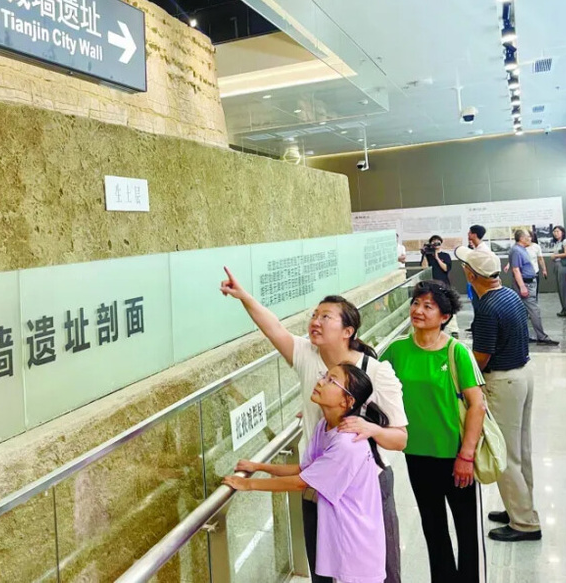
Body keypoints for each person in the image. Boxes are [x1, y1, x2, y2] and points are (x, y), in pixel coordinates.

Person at [220, 268, 407, 583]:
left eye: (326, 317)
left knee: (377, 573)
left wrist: (370, 428)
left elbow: (400, 438)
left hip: (365, 487)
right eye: (314, 315)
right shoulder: (307, 355)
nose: (315, 322)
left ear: (348, 330)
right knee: (325, 570)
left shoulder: (375, 372)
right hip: (319, 482)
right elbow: (272, 327)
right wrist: (244, 297)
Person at [224, 364, 388, 583]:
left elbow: (302, 482)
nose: (320, 382)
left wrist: (248, 485)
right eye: (324, 376)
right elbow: (306, 470)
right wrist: (260, 467)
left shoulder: (347, 444)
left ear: (347, 401)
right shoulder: (325, 426)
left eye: (332, 381)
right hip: (342, 536)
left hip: (356, 545)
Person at [380, 280, 486, 581]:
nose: (418, 310)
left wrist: (466, 456)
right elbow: (368, 384)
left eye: (428, 306)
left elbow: (477, 404)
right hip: (416, 454)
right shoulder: (397, 351)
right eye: (416, 303)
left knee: (466, 528)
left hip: (455, 455)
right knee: (433, 526)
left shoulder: (456, 352)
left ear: (444, 316)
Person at [456, 246, 542, 543]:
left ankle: (524, 524)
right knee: (521, 450)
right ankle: (521, 508)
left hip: (504, 382)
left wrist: (463, 378)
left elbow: (481, 357)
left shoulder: (487, 308)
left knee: (503, 453)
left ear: (471, 274)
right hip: (522, 375)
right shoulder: (507, 295)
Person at [508, 229, 557, 345]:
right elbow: (516, 269)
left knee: (524, 311)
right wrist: (522, 287)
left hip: (529, 282)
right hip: (525, 284)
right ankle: (541, 337)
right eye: (528, 237)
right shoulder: (516, 251)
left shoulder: (521, 249)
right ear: (522, 238)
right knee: (534, 310)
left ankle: (524, 335)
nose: (531, 238)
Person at [551, 225, 566, 317]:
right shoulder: (557, 243)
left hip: (563, 266)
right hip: (557, 265)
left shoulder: (565, 241)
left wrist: (555, 256)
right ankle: (564, 308)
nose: (556, 233)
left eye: (558, 231)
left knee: (564, 288)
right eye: (554, 231)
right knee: (560, 289)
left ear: (562, 232)